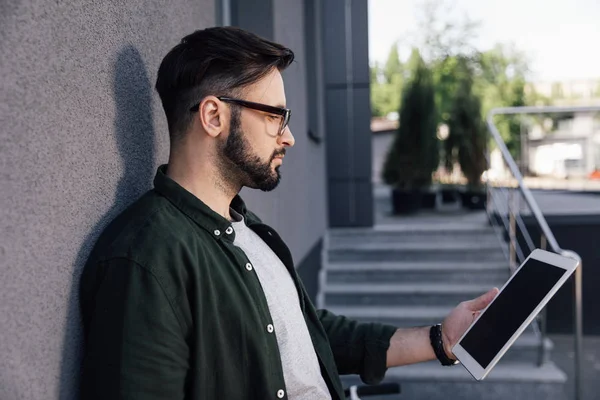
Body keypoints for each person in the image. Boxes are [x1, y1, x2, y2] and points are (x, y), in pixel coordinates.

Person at [79, 26, 498, 400]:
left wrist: (442, 340)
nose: (290, 137)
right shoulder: (145, 258)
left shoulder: (249, 231)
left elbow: (306, 335)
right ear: (213, 116)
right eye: (275, 117)